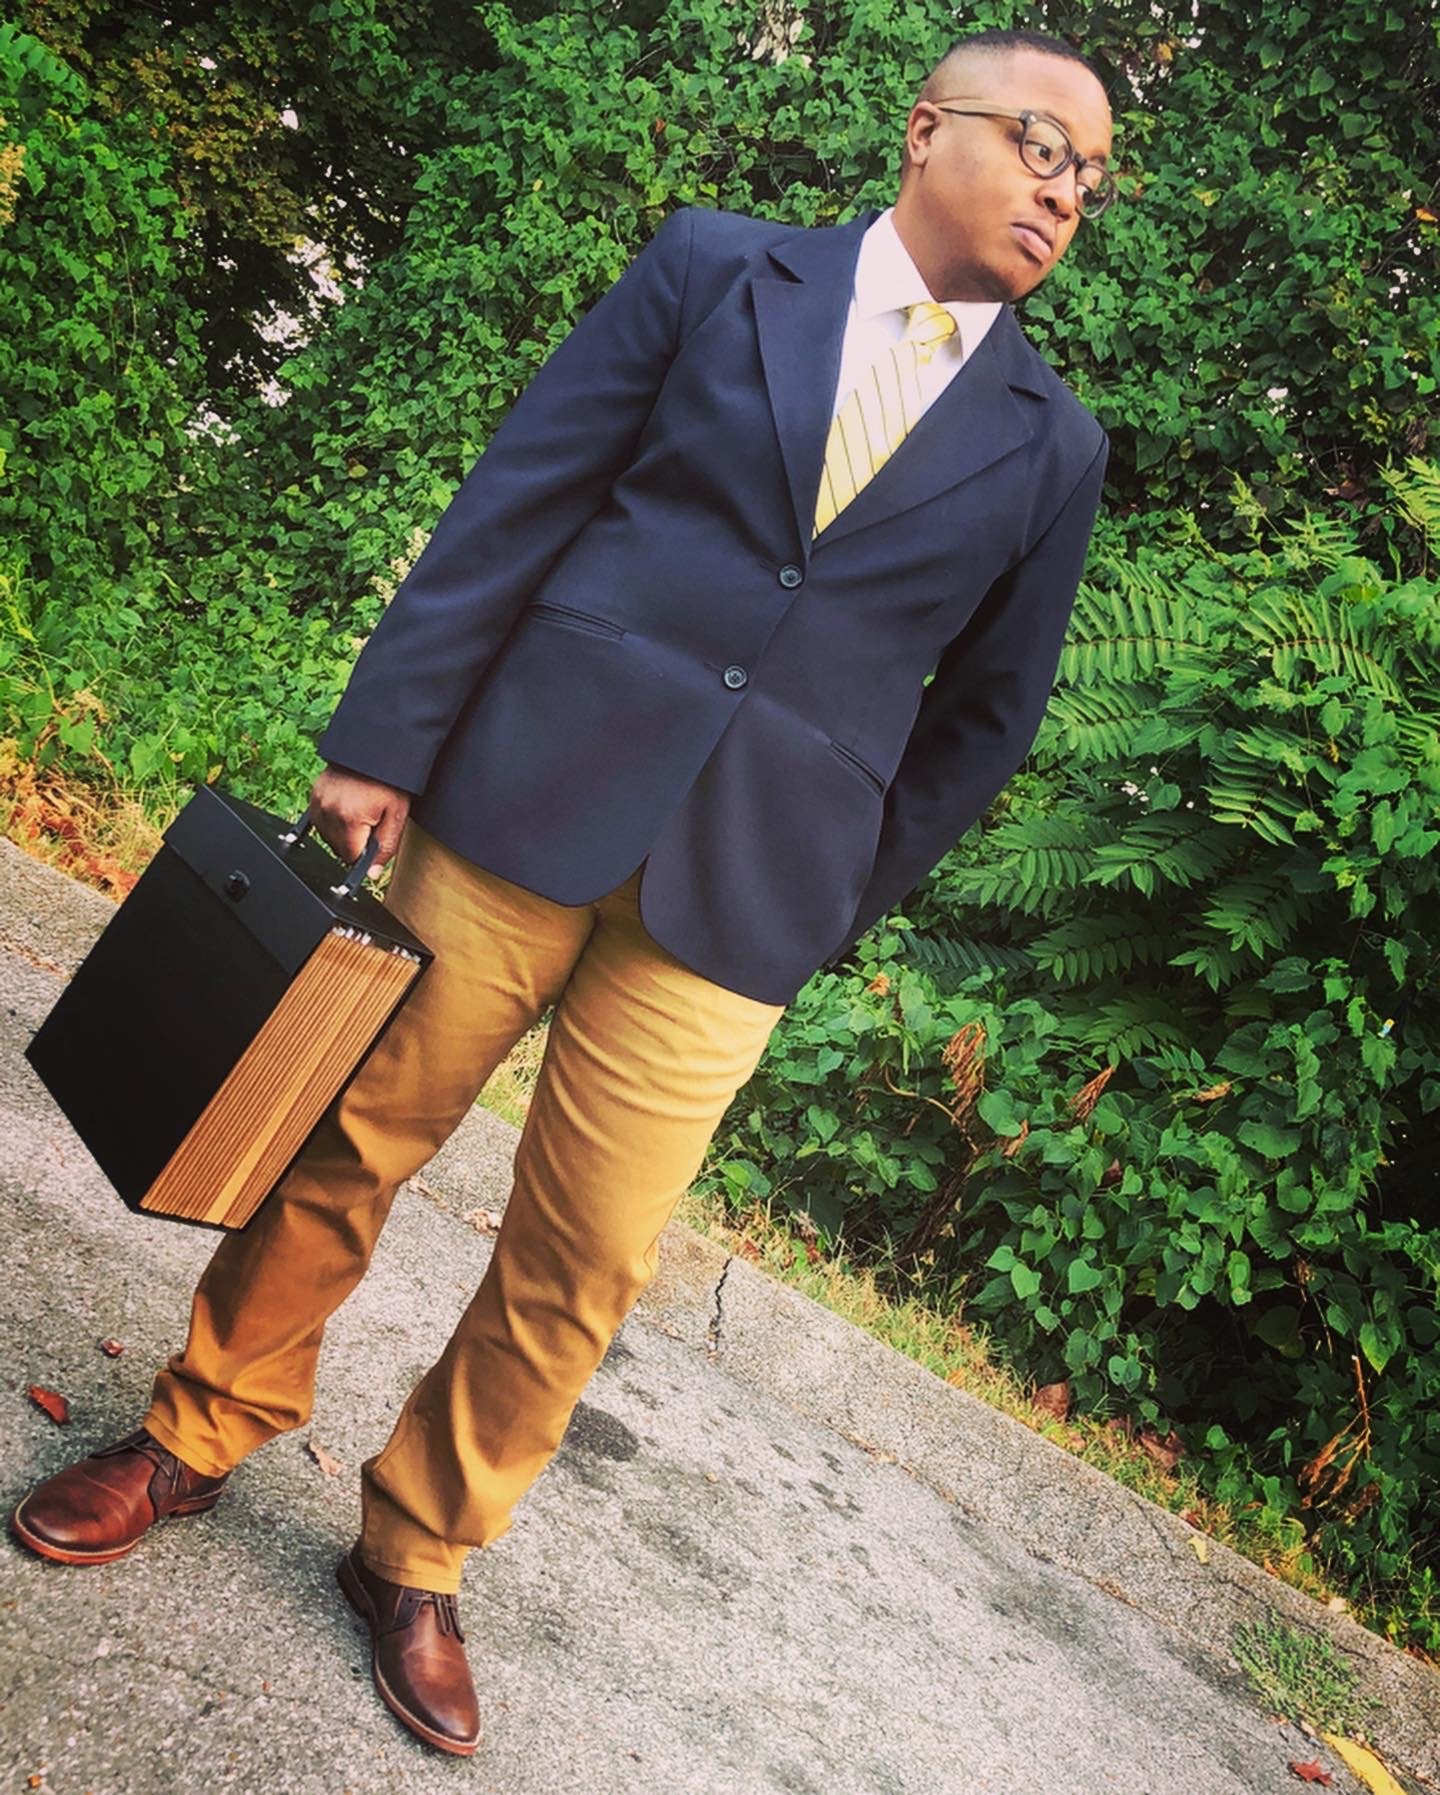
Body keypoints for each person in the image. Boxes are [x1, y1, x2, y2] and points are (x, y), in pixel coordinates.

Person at [11, 27, 1114, 1758]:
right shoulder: (711, 267)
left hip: (746, 899)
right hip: (523, 793)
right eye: (1044, 141)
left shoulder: (1056, 447)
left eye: (1092, 176)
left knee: (586, 1256)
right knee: (351, 1136)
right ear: (929, 129)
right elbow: (525, 496)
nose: (1068, 186)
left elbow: (983, 726)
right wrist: (386, 736)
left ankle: (421, 1548)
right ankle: (199, 1428)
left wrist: (838, 897)